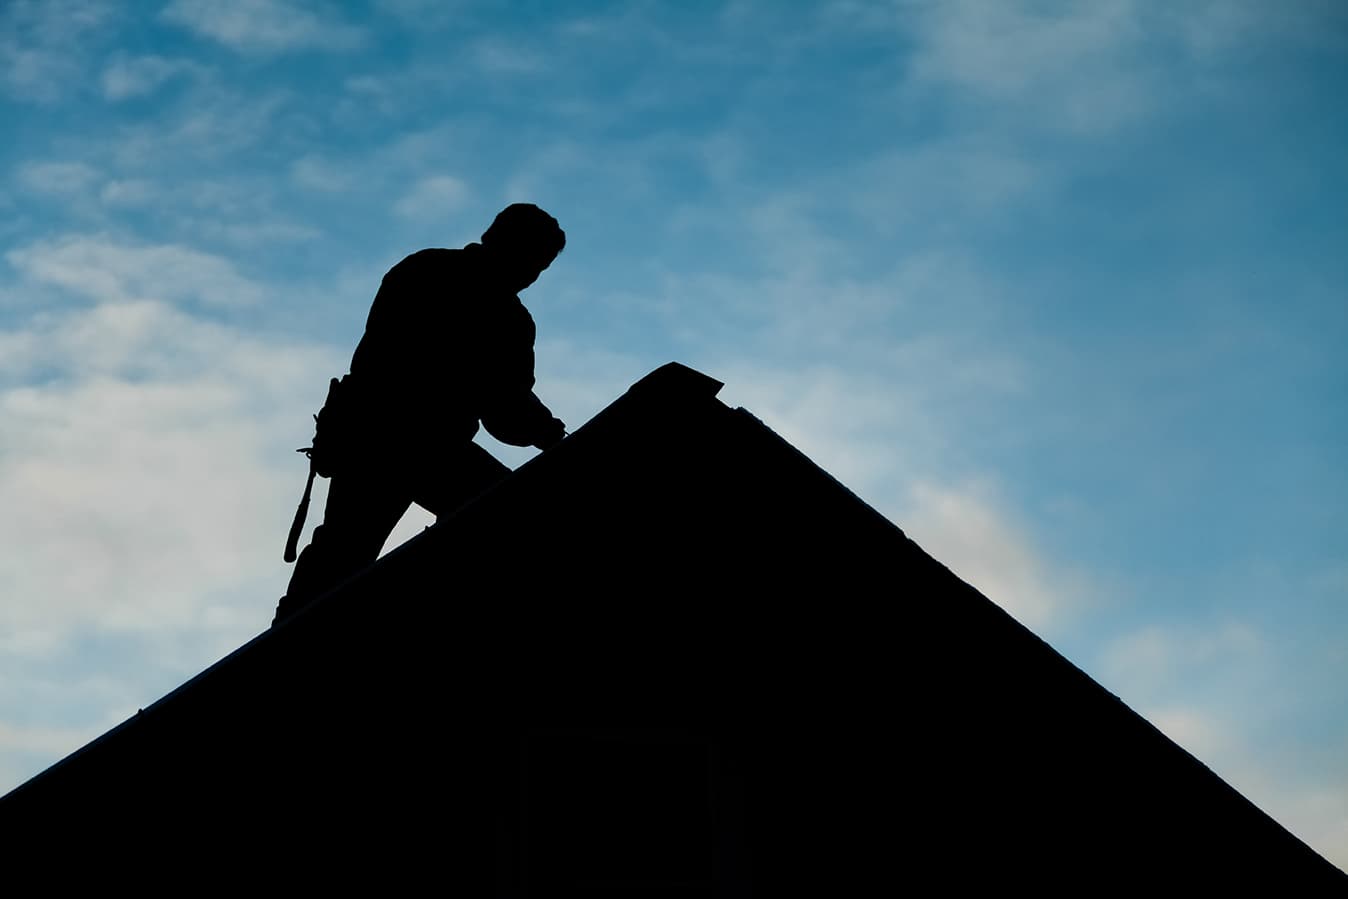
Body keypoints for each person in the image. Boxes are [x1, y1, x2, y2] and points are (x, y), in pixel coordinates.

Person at [273, 203, 568, 625]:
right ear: (505, 244)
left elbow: (505, 408)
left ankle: (294, 631)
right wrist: (547, 433)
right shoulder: (496, 311)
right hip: (406, 442)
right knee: (506, 516)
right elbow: (505, 407)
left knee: (342, 550)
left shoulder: (426, 270)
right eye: (532, 261)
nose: (531, 276)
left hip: (385, 438)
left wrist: (539, 429)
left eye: (539, 267)